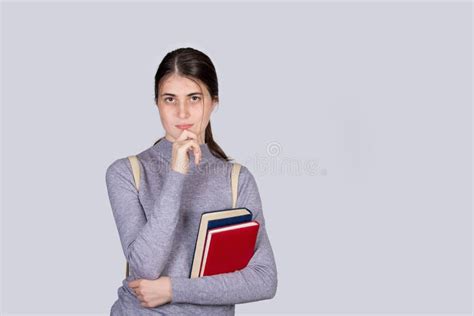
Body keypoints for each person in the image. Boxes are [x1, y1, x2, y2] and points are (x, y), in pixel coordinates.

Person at [105, 47, 278, 315]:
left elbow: (264, 280)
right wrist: (177, 173)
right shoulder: (127, 172)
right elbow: (145, 267)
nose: (182, 113)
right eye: (170, 99)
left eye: (194, 98)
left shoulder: (236, 179)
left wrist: (173, 289)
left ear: (213, 103)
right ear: (157, 104)